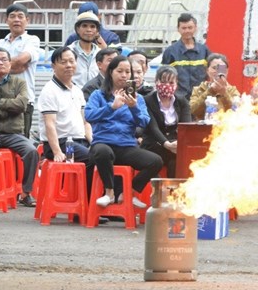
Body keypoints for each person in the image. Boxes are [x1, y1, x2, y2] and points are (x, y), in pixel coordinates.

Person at [85, 55, 162, 208]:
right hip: (103, 143)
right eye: (120, 71)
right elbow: (89, 115)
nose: (124, 75)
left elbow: (144, 122)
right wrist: (111, 107)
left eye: (127, 72)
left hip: (127, 146)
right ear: (111, 73)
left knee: (156, 161)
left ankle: (129, 193)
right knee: (102, 152)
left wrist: (133, 108)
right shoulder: (98, 95)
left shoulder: (137, 98)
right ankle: (109, 192)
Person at [0, 48, 40, 207]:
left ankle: (26, 192)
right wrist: (9, 106)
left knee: (31, 151)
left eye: (4, 59)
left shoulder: (19, 82)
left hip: (14, 134)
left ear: (10, 63)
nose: (0, 62)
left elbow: (21, 105)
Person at [38, 47, 99, 200]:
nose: (68, 65)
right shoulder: (49, 91)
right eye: (63, 62)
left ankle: (103, 201)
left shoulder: (77, 90)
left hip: (80, 142)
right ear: (53, 66)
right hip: (61, 142)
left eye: (72, 61)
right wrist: (57, 151)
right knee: (93, 159)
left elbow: (85, 122)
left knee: (105, 154)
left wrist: (95, 143)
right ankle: (86, 203)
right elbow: (49, 125)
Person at [0, 3, 40, 139]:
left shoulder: (32, 40)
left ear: (27, 20)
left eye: (21, 16)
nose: (16, 20)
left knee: (22, 141)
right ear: (6, 20)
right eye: (12, 16)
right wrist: (15, 67)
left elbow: (23, 59)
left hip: (21, 101)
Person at [142, 66, 191, 178]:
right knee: (156, 160)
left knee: (179, 162)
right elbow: (152, 127)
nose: (167, 86)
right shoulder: (147, 100)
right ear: (156, 81)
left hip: (175, 145)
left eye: (171, 82)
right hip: (154, 144)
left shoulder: (182, 101)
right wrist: (166, 144)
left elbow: (186, 125)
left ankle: (174, 193)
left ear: (176, 83)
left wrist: (179, 144)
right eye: (163, 82)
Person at [161, 13, 210, 100]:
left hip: (201, 99)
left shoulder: (204, 50)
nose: (187, 31)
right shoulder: (170, 52)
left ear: (195, 28)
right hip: (178, 100)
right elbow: (162, 77)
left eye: (190, 27)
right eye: (184, 28)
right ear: (178, 29)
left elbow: (218, 64)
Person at [189, 53, 241, 121]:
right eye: (214, 68)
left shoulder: (232, 90)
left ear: (226, 71)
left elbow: (236, 112)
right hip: (203, 129)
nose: (217, 71)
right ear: (207, 70)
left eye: (221, 68)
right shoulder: (198, 89)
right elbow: (194, 111)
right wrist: (211, 91)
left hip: (225, 129)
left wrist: (224, 93)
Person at [70, 11, 104, 88]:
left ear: (97, 31)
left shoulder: (100, 53)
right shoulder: (69, 52)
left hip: (96, 98)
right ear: (77, 29)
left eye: (92, 26)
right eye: (84, 26)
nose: (89, 30)